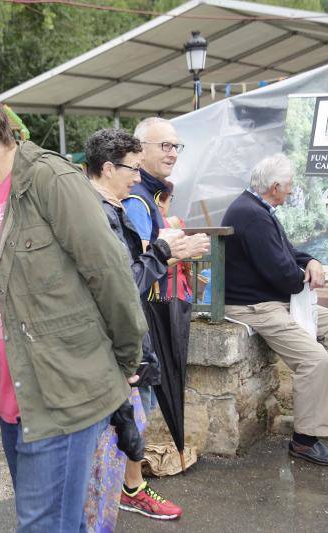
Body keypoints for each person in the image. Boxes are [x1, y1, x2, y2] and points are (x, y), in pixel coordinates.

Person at [0, 85, 147, 532]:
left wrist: (126, 359)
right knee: (55, 523)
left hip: (61, 392)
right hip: (15, 395)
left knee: (43, 526)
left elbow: (110, 273)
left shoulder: (50, 180)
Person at [85, 128, 209, 521]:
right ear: (108, 168)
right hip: (111, 351)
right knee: (112, 446)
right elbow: (122, 284)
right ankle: (119, 500)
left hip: (119, 345)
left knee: (128, 428)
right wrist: (167, 252)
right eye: (132, 169)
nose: (138, 178)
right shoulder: (100, 213)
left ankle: (125, 494)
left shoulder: (109, 207)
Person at [222, 153, 328, 467]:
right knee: (313, 360)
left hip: (269, 298)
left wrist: (311, 261)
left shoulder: (256, 208)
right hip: (254, 305)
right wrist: (306, 275)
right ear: (274, 187)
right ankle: (305, 441)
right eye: (288, 187)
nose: (290, 192)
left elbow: (287, 251)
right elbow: (283, 275)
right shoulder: (253, 214)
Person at [119, 117, 206, 519]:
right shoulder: (137, 200)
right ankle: (130, 487)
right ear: (140, 150)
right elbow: (133, 269)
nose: (172, 152)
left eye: (176, 146)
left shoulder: (148, 196)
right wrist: (176, 252)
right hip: (141, 318)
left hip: (144, 313)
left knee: (140, 402)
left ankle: (123, 482)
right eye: (164, 146)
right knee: (138, 403)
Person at [156, 183, 193, 302]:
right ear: (161, 201)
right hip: (177, 286)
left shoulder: (144, 225)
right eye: (169, 198)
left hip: (153, 289)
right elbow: (186, 260)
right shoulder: (175, 223)